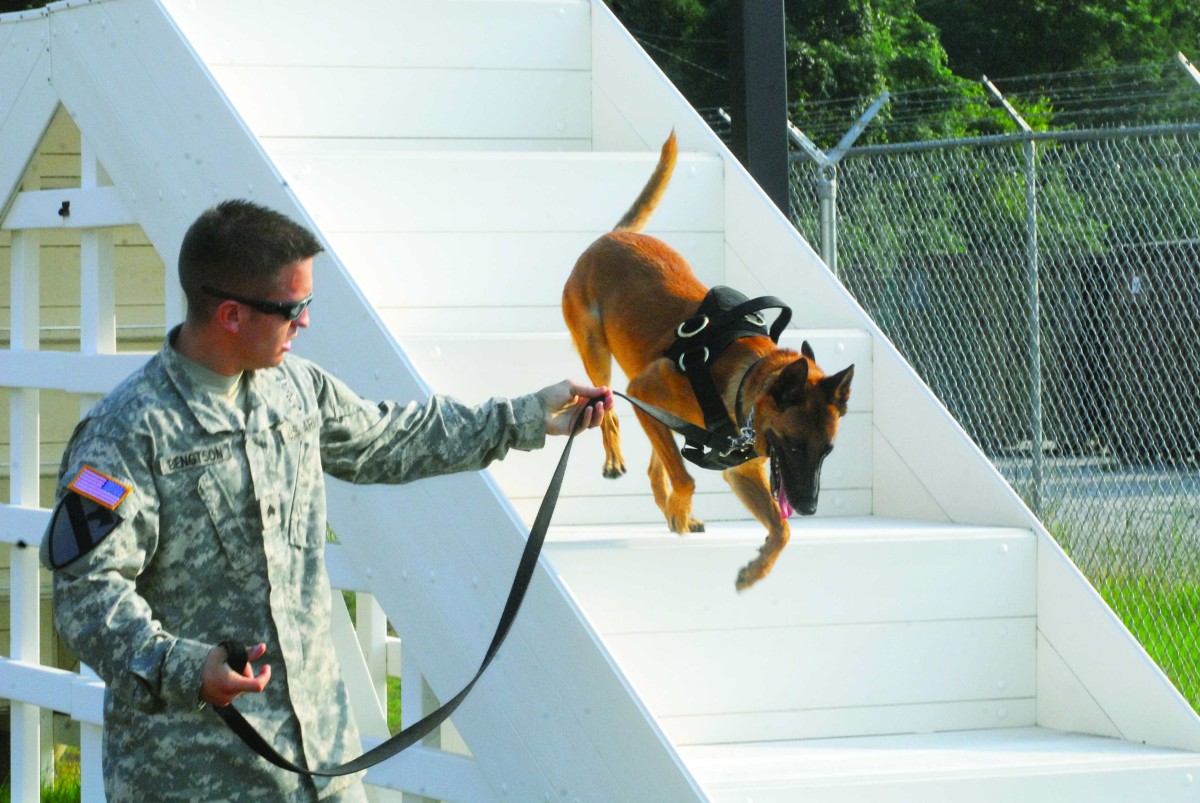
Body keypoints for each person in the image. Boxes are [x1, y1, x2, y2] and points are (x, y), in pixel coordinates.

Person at [41, 199, 612, 802]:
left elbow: (394, 438)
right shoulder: (126, 433)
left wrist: (525, 417)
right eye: (294, 308)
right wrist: (187, 667)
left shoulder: (297, 389)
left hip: (322, 768)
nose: (306, 323)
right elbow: (87, 594)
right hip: (198, 779)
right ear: (231, 315)